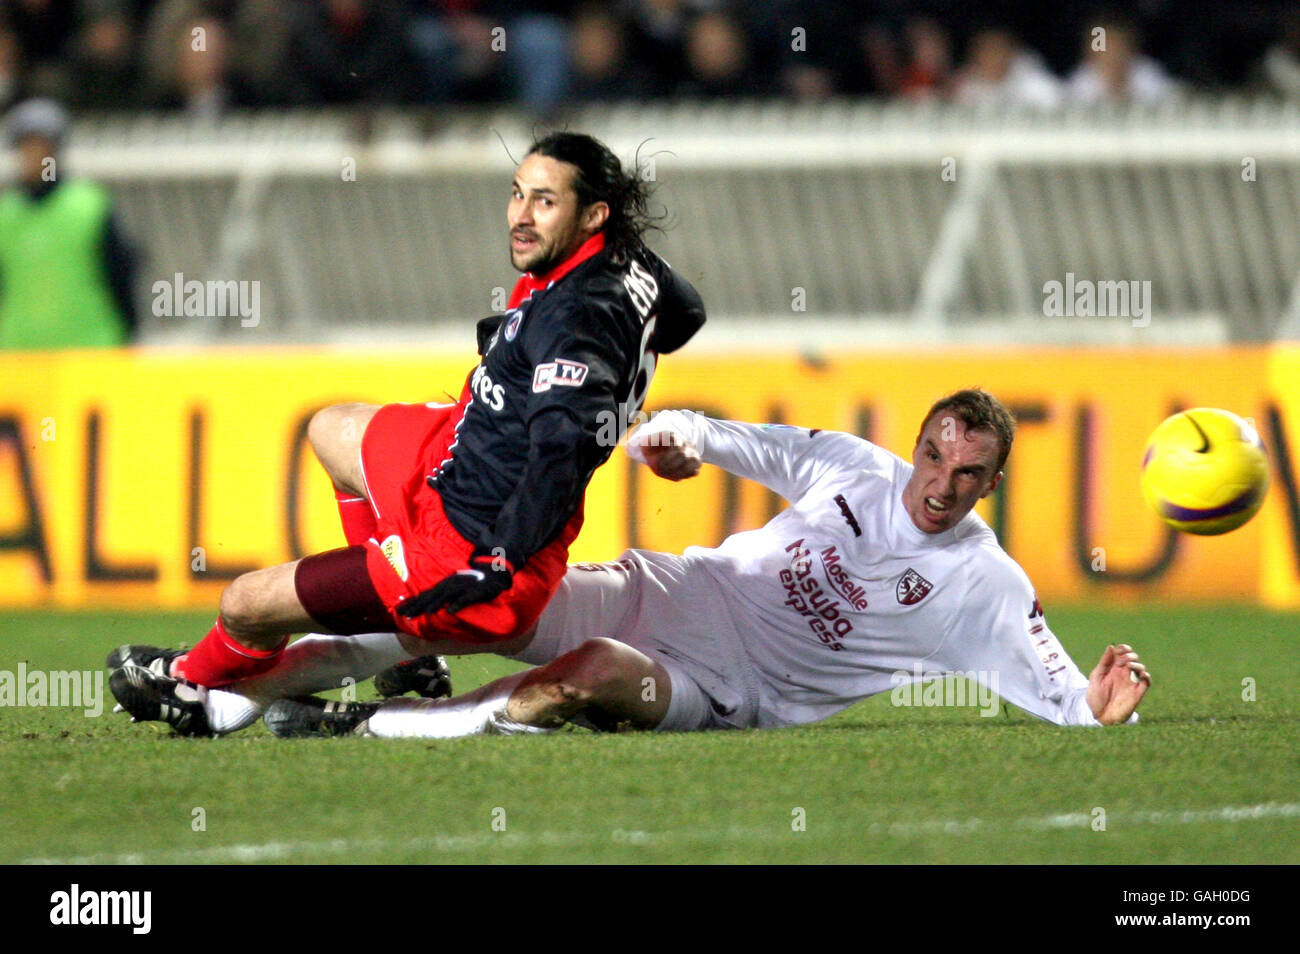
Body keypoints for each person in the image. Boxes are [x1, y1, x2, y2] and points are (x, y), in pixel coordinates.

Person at [113, 390, 1151, 738]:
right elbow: (742, 440)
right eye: (934, 453)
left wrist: (1101, 705)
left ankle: (368, 725)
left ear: (990, 486)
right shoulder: (855, 468)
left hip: (721, 689)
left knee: (595, 676)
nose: (938, 481)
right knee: (459, 611)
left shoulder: (984, 584)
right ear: (917, 444)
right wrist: (675, 436)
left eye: (965, 472)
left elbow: (1059, 690)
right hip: (665, 586)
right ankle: (232, 693)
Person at [108, 131, 706, 734]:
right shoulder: (630, 265)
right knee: (333, 429)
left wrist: (499, 557)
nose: (521, 217)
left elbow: (557, 451)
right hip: (450, 452)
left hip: (466, 546)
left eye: (544, 202)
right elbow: (687, 314)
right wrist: (613, 393)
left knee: (244, 606)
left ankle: (196, 688)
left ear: (593, 215)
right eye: (517, 194)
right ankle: (397, 633)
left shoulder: (572, 319)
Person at [0, 98, 138, 350]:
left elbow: (120, 274)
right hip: (21, 354)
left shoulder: (88, 206)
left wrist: (130, 332)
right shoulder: (6, 214)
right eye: (27, 147)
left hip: (88, 349)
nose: (34, 157)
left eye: (41, 147)